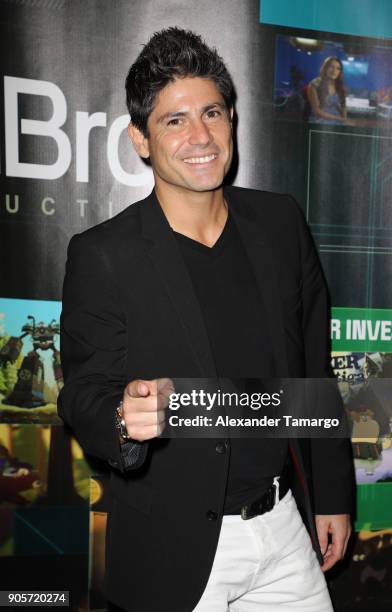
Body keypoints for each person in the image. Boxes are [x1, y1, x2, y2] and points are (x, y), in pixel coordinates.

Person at [57, 27, 355, 612]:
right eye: (174, 121)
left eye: (212, 113)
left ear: (232, 120)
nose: (201, 136)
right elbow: (82, 394)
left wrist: (332, 495)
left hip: (284, 530)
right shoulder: (103, 254)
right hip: (178, 546)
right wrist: (122, 416)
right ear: (140, 139)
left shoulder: (280, 224)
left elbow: (313, 372)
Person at [307, 56, 347, 124]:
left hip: (337, 120)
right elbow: (316, 112)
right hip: (320, 121)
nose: (334, 71)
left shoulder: (340, 85)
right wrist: (340, 119)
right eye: (331, 67)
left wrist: (344, 119)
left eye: (338, 68)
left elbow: (343, 106)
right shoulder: (314, 84)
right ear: (325, 68)